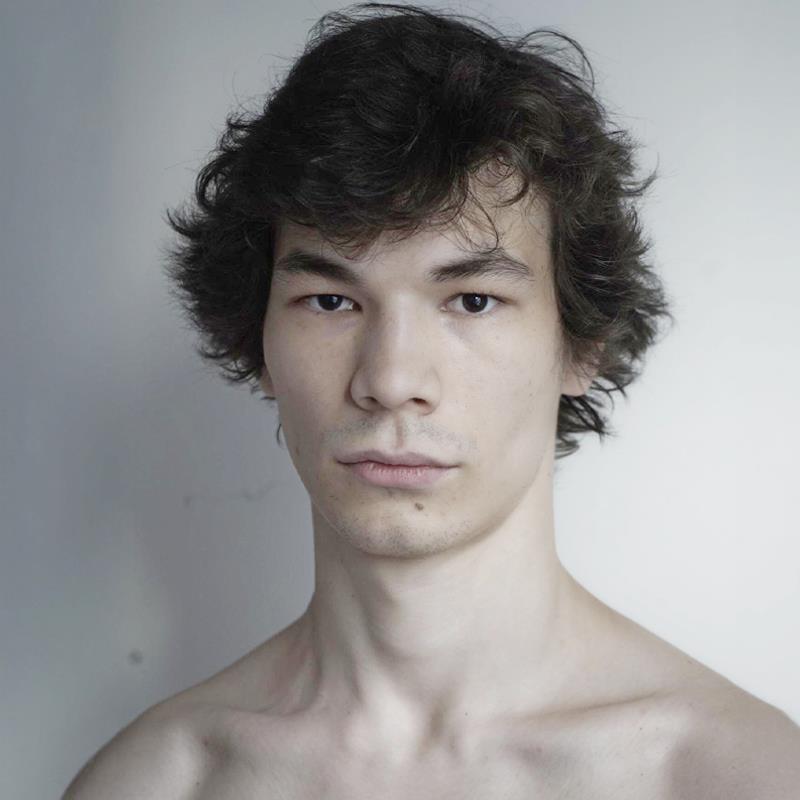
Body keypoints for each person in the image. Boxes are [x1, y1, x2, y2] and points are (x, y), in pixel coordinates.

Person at [63, 3, 800, 798]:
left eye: (473, 301)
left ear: (581, 345)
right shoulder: (156, 782)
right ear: (260, 341)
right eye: (330, 301)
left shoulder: (732, 775)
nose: (389, 379)